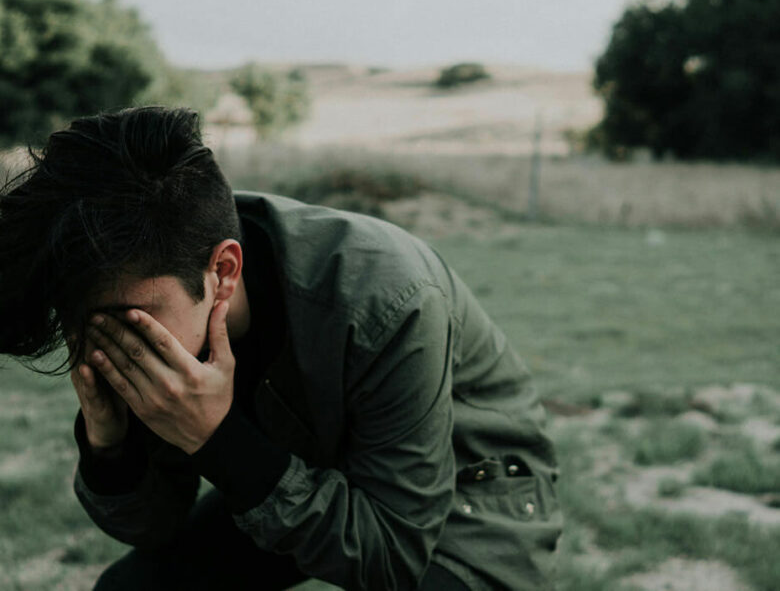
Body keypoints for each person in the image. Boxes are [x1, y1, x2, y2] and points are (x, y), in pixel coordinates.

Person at [0, 106, 562, 590]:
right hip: (302, 464)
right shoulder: (149, 288)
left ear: (223, 270)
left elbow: (391, 555)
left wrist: (216, 439)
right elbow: (156, 529)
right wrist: (110, 447)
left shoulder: (388, 297)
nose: (112, 346)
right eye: (85, 323)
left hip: (471, 489)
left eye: (130, 321)